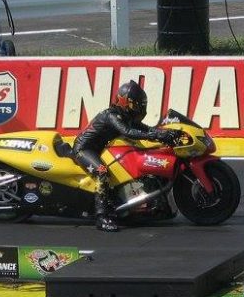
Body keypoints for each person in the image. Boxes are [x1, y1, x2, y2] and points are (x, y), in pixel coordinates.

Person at [71, 80, 181, 232]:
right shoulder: (111, 115)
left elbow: (147, 129)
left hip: (101, 150)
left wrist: (166, 133)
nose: (138, 108)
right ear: (124, 102)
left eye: (140, 105)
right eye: (135, 104)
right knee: (102, 172)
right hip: (85, 149)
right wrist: (154, 135)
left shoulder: (126, 117)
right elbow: (128, 132)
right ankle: (101, 217)